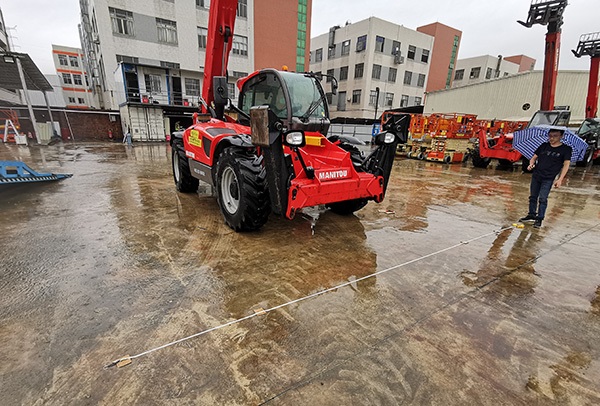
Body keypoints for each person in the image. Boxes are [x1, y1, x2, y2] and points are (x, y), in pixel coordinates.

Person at [519, 128, 572, 228]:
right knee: (533, 196)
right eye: (550, 136)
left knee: (543, 198)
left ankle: (539, 218)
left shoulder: (566, 149)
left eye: (555, 136)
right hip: (537, 175)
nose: (551, 138)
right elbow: (534, 157)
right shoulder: (544, 146)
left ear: (561, 136)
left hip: (548, 177)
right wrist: (531, 164)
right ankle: (531, 214)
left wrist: (560, 179)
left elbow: (566, 165)